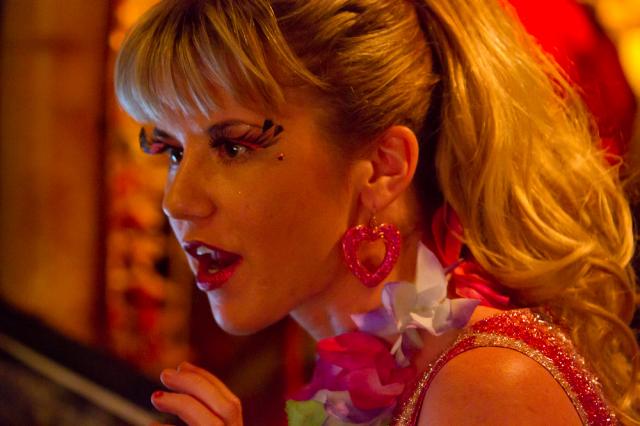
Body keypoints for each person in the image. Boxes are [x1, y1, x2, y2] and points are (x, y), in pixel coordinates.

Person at [114, 0, 640, 424]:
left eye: (233, 146)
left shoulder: (487, 383)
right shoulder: (356, 382)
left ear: (384, 167)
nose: (178, 201)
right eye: (172, 151)